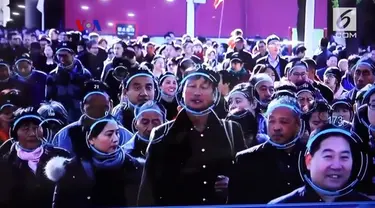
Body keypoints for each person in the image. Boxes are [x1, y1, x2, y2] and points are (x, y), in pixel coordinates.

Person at [138, 67, 246, 206]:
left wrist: (232, 184)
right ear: (181, 92)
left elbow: (245, 178)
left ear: (215, 94)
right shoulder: (162, 133)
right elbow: (148, 187)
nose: (197, 92)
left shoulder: (231, 130)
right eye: (191, 86)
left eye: (204, 87)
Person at [46, 116, 143, 208]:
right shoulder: (71, 169)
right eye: (109, 134)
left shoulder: (134, 166)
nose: (115, 139)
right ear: (91, 139)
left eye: (117, 133)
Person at [229, 95, 305, 204]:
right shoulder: (246, 159)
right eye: (272, 121)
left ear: (298, 124)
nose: (276, 127)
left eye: (283, 121)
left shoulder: (312, 157)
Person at [269, 124, 371, 203]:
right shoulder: (282, 205)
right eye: (328, 156)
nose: (336, 166)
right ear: (309, 161)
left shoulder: (366, 205)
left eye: (344, 157)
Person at [0, 107, 70, 207]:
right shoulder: (4, 161)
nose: (33, 133)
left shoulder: (61, 157)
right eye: (26, 128)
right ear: (15, 134)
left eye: (36, 128)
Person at [52, 80, 133, 157]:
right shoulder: (64, 136)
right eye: (92, 108)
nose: (98, 114)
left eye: (103, 108)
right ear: (82, 107)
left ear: (111, 106)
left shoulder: (126, 136)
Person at [46, 44, 92, 122]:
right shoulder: (52, 75)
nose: (62, 58)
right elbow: (48, 98)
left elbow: (90, 96)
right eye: (59, 55)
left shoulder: (85, 74)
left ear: (73, 55)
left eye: (65, 55)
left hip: (80, 114)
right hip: (60, 114)